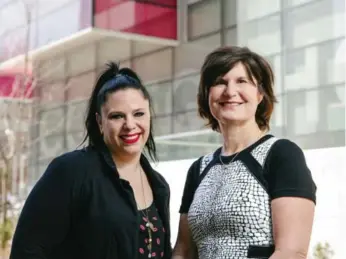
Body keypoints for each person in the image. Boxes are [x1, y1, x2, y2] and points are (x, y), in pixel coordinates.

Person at [10, 62, 172, 259]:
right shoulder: (71, 172)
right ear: (100, 122)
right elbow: (27, 250)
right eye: (117, 116)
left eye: (138, 113)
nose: (130, 125)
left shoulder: (159, 185)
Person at [172, 46, 317, 259]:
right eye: (220, 82)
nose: (230, 91)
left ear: (260, 94)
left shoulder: (281, 155)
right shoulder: (199, 169)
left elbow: (291, 252)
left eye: (242, 81)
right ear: (207, 95)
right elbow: (183, 251)